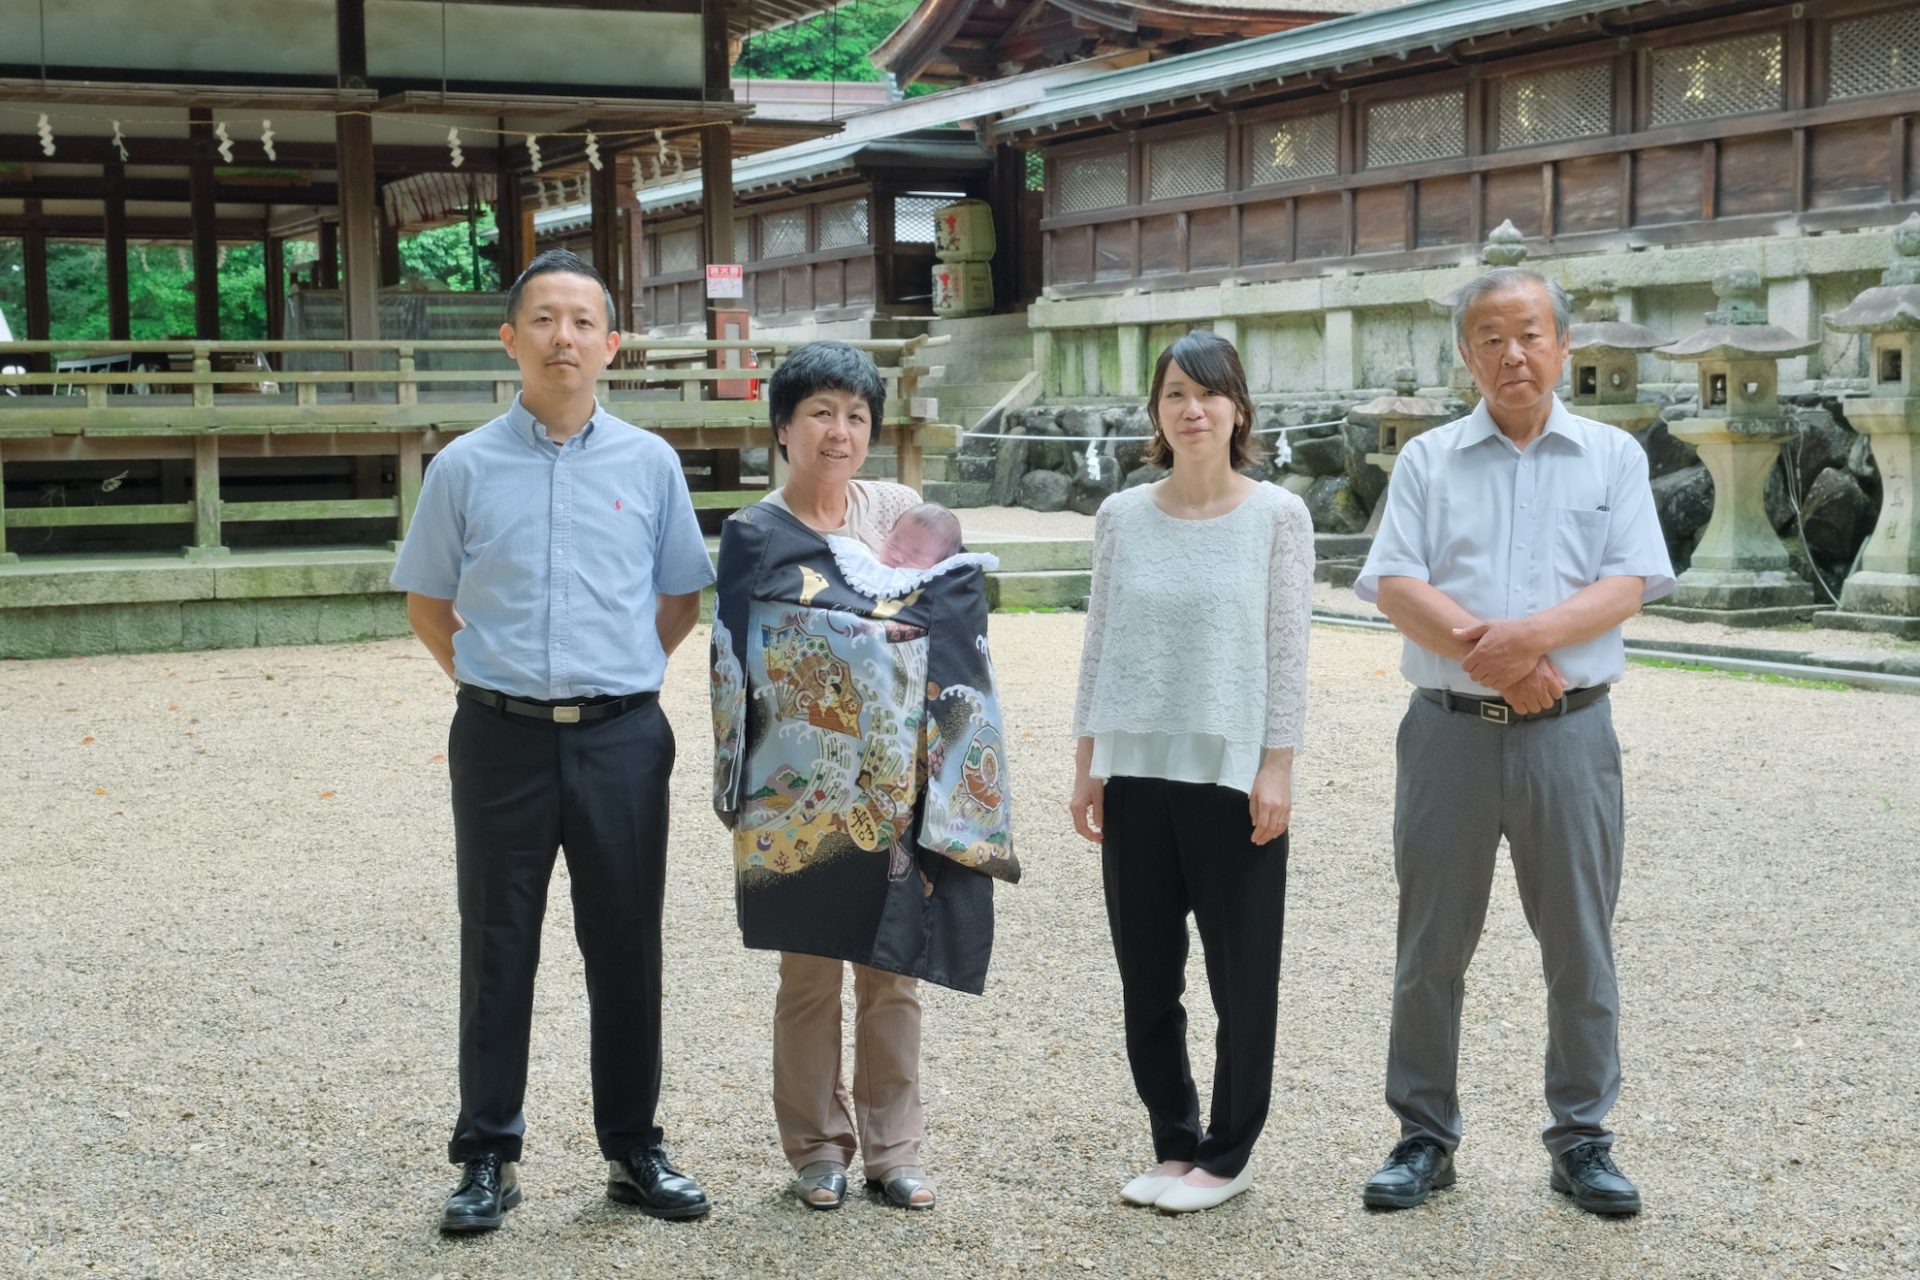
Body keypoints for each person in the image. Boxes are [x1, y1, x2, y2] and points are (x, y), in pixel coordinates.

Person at [390, 248, 717, 1234]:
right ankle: (487, 1150)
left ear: (610, 342)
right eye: (543, 318)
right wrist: (500, 687)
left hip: (622, 735)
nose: (563, 336)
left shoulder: (650, 462)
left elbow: (678, 598)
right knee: (498, 942)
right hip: (499, 738)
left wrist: (612, 679)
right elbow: (429, 601)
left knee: (625, 938)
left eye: (583, 320)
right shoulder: (463, 466)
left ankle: (633, 1144)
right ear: (511, 337)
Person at [1353, 266, 1675, 1217]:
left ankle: (1582, 1139)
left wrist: (1529, 641)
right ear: (1467, 355)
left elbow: (1630, 581)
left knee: (1579, 942)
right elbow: (1395, 585)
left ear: (1562, 344)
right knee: (1430, 943)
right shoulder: (1431, 459)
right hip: (1447, 733)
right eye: (1490, 337)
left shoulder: (1612, 455)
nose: (1513, 353)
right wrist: (1500, 662)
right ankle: (1423, 1135)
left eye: (1530, 333)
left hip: (1572, 738)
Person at [709, 341, 1019, 1215]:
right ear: (783, 429)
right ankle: (815, 1150)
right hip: (798, 794)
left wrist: (958, 786)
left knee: (895, 970)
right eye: (819, 413)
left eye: (854, 416)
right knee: (808, 974)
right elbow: (728, 661)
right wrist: (735, 786)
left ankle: (896, 1151)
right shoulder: (756, 536)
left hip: (893, 786)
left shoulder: (899, 532)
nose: (839, 432)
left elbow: (953, 635)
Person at [1066, 329, 1315, 1214]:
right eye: (1175, 393)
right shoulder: (1121, 516)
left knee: (1241, 973)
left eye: (1208, 393)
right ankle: (1173, 1140)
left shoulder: (1277, 516)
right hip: (1134, 769)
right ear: (1157, 412)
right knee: (1147, 971)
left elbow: (1287, 654)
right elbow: (1099, 641)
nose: (1191, 408)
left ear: (1238, 408)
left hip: (1231, 774)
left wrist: (1277, 765)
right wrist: (1086, 761)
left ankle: (1230, 1148)